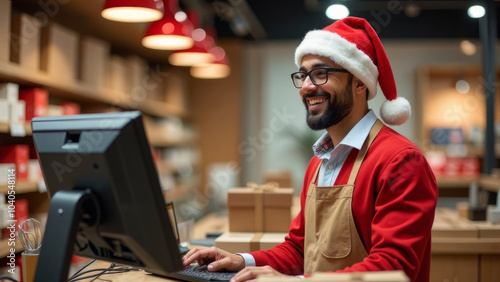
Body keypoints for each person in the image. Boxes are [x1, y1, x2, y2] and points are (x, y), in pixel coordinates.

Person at [182, 16, 438, 282]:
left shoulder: (401, 161)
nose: (306, 87)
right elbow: (300, 249)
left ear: (360, 82)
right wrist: (241, 260)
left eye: (320, 73)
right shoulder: (319, 162)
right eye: (303, 75)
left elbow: (394, 268)